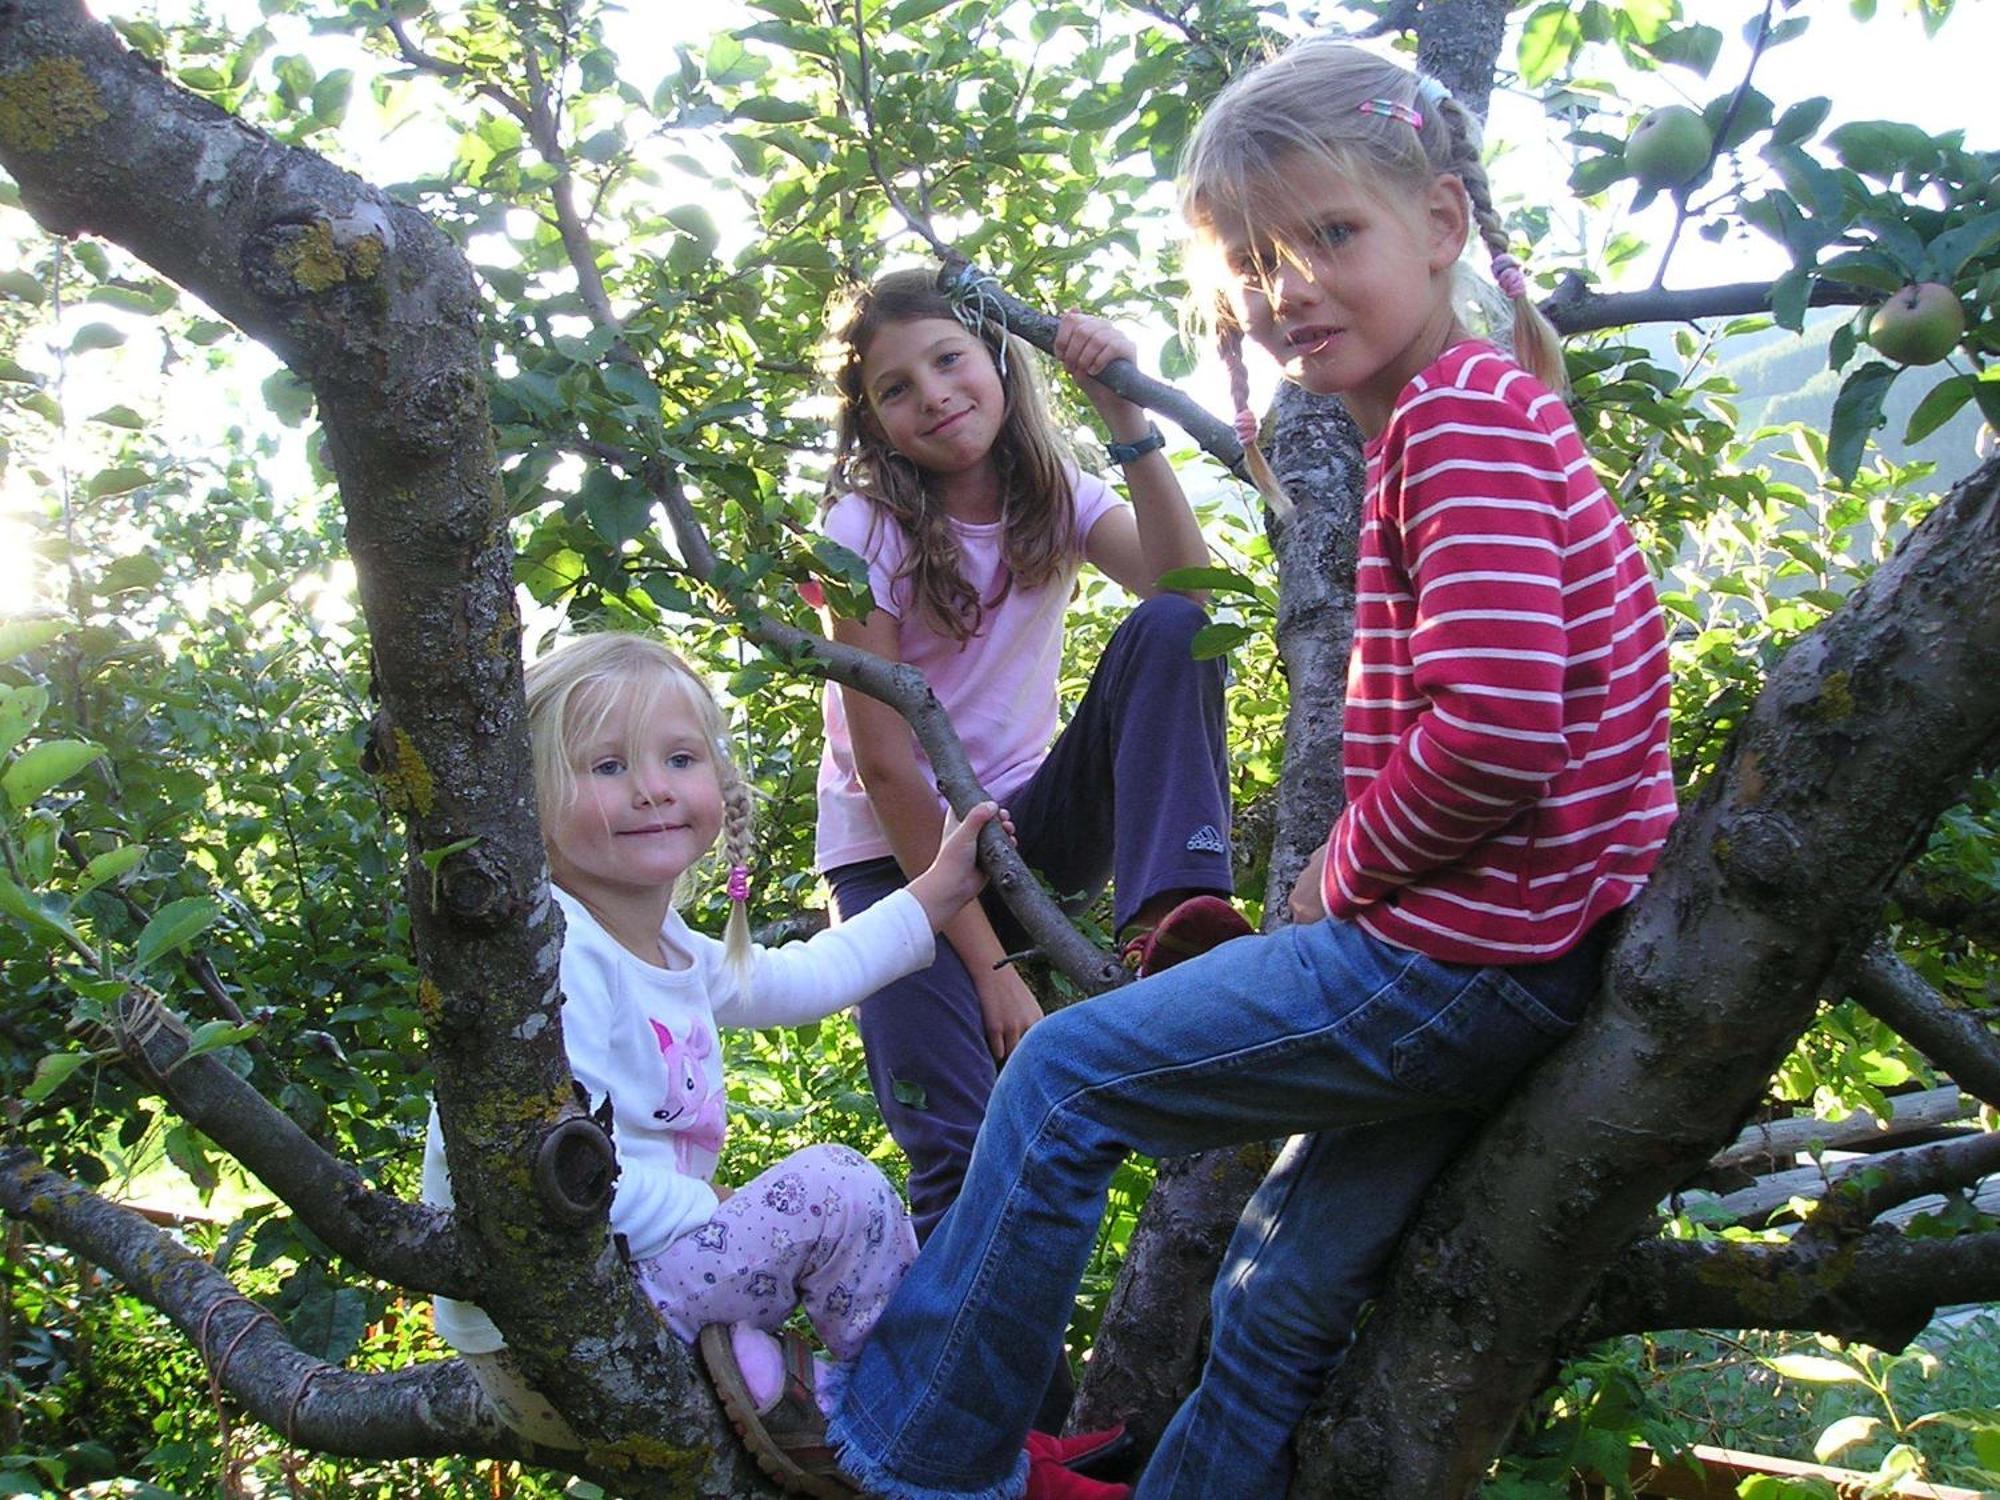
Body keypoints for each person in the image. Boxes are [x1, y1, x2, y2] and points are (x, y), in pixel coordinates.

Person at [825, 38, 1680, 1500]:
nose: (1289, 291)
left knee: (1064, 1085)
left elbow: (1495, 733)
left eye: (1331, 234)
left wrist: (1330, 878)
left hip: (1454, 957)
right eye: (1255, 259)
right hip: (1531, 953)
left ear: (1443, 223)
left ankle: (905, 1458)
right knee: (1271, 1297)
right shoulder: (1475, 410)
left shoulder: (1457, 418)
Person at [420, 634, 1125, 1499]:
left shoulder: (664, 942)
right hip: (549, 1325)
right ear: (525, 800)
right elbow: (526, 1170)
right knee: (840, 1189)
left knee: (841, 1235)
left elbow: (800, 977)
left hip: (622, 1290)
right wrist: (698, 1203)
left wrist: (941, 891)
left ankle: (952, 1435)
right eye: (605, 767)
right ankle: (942, 1433)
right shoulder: (558, 956)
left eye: (680, 758)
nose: (650, 788)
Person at [814, 270, 1251, 1251]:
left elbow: (1190, 597)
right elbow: (887, 770)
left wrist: (1124, 417)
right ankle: (997, 1408)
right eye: (894, 388)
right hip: (899, 865)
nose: (931, 393)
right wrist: (991, 967)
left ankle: (1172, 918)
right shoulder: (861, 531)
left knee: (1173, 629)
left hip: (1026, 829)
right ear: (874, 423)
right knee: (962, 1145)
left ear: (996, 360)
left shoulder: (1050, 494)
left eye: (946, 359)